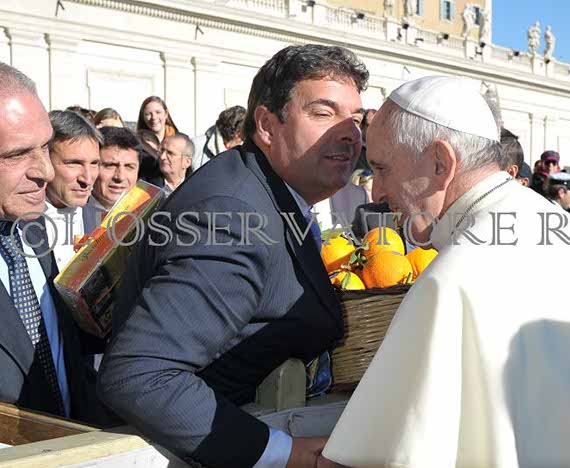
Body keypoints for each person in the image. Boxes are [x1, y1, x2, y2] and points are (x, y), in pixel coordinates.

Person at [322, 75, 570, 468]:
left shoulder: (451, 280)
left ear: (440, 163)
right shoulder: (568, 230)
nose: (376, 192)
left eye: (382, 168)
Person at [98, 44, 368, 468]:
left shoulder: (265, 191)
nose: (350, 133)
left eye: (356, 118)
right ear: (267, 125)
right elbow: (141, 375)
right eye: (323, 113)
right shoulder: (231, 216)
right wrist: (283, 454)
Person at [0, 62, 109, 424]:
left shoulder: (31, 224)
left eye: (45, 147)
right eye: (17, 154)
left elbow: (56, 341)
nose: (45, 172)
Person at [44, 110, 102, 270]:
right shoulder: (15, 226)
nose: (88, 179)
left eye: (94, 163)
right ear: (44, 160)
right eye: (74, 163)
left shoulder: (105, 223)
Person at [84, 127, 141, 233]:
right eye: (110, 165)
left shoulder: (150, 220)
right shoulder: (72, 216)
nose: (120, 177)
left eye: (129, 166)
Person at [191, 105, 247, 171]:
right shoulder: (196, 146)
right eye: (245, 132)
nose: (245, 137)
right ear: (237, 133)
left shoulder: (246, 151)